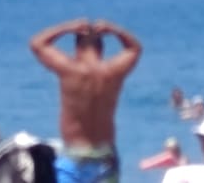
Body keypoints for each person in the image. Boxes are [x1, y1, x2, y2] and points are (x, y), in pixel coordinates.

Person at [29, 18, 142, 183]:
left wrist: (67, 27)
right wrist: (115, 30)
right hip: (105, 159)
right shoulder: (113, 71)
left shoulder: (69, 69)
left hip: (74, 157)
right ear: (101, 48)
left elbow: (37, 43)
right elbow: (135, 48)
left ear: (77, 47)